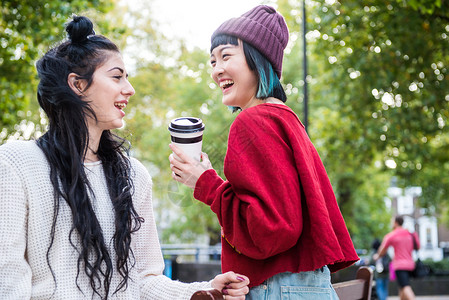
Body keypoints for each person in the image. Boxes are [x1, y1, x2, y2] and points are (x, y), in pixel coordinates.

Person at [0, 15, 250, 299]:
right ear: (78, 85)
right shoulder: (16, 164)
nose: (129, 89)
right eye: (117, 76)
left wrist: (202, 291)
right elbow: (7, 281)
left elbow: (143, 279)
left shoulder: (133, 174)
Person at [169, 5, 359, 299]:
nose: (216, 69)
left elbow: (272, 229)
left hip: (281, 289)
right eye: (212, 60)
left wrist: (205, 183)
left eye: (226, 56)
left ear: (257, 60)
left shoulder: (252, 121)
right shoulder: (285, 118)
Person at [374, 215, 419, 300]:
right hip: (410, 264)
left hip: (400, 265)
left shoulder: (392, 235)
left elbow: (382, 250)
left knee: (405, 286)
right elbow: (418, 247)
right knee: (401, 287)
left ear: (395, 222)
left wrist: (377, 256)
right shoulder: (411, 234)